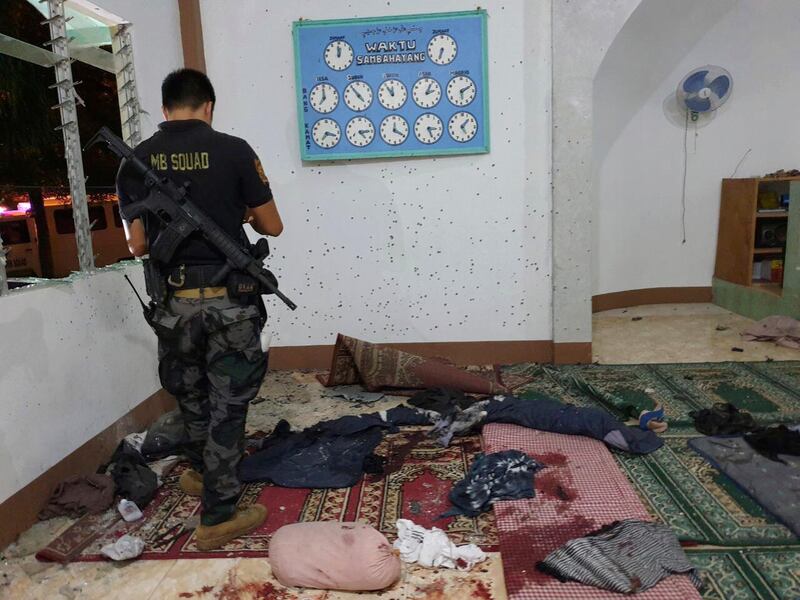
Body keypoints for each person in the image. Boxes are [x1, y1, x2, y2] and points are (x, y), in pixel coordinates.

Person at [116, 68, 284, 550]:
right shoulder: (235, 150)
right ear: (209, 106)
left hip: (174, 307)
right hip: (230, 306)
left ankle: (201, 474)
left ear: (164, 109)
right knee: (228, 407)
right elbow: (272, 226)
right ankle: (218, 516)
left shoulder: (136, 161)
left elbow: (138, 245)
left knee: (191, 399)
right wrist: (243, 212)